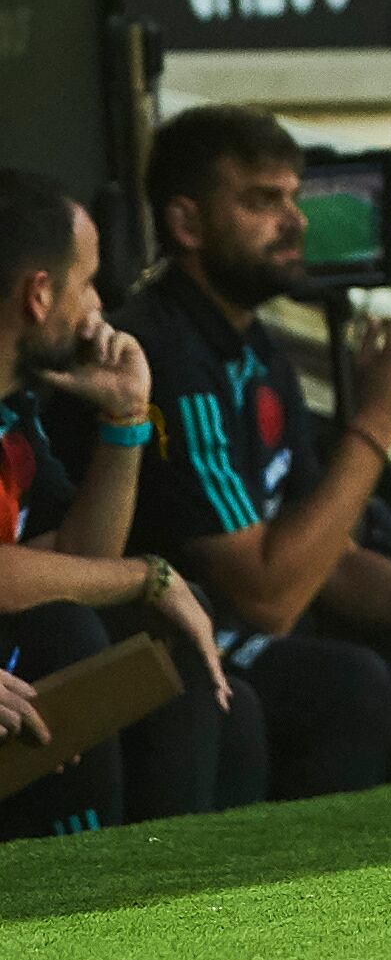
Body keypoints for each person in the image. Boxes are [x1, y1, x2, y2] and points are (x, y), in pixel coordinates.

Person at [96, 107, 391, 802]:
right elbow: (266, 596)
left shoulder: (255, 348)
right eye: (261, 202)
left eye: (294, 198)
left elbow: (330, 556)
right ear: (185, 224)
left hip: (250, 626)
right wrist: (375, 426)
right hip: (164, 642)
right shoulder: (166, 354)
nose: (295, 222)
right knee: (346, 685)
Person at [0, 168, 248, 842]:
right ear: (40, 293)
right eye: (86, 283)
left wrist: (125, 417)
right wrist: (150, 576)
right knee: (68, 637)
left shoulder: (15, 407)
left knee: (189, 673)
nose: (100, 304)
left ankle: (184, 901)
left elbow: (82, 564)